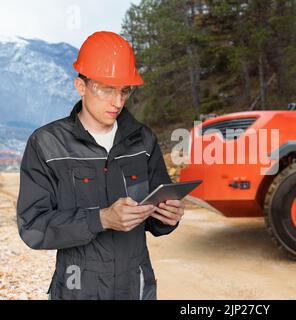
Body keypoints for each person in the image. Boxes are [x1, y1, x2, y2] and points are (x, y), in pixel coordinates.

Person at [16, 31, 184, 300]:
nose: (118, 102)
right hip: (77, 288)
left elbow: (155, 219)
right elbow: (33, 227)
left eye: (124, 91)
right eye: (107, 89)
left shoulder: (143, 140)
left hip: (136, 287)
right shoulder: (47, 144)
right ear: (81, 86)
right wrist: (101, 219)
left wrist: (168, 218)